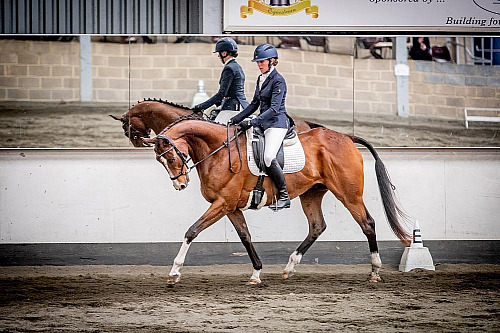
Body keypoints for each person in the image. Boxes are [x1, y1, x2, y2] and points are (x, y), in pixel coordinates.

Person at [229, 44, 292, 211]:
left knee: (268, 157)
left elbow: (274, 109)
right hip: (263, 123)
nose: (259, 64)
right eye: (257, 62)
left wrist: (252, 122)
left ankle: (284, 196)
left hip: (276, 124)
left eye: (262, 61)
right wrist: (236, 118)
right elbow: (254, 104)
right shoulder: (261, 78)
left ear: (272, 61)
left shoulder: (278, 80)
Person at [193, 37, 248, 120]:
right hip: (239, 105)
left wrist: (201, 106)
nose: (218, 55)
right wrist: (215, 105)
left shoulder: (229, 68)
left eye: (219, 53)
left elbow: (221, 94)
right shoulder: (237, 66)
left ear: (224, 53)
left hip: (232, 107)